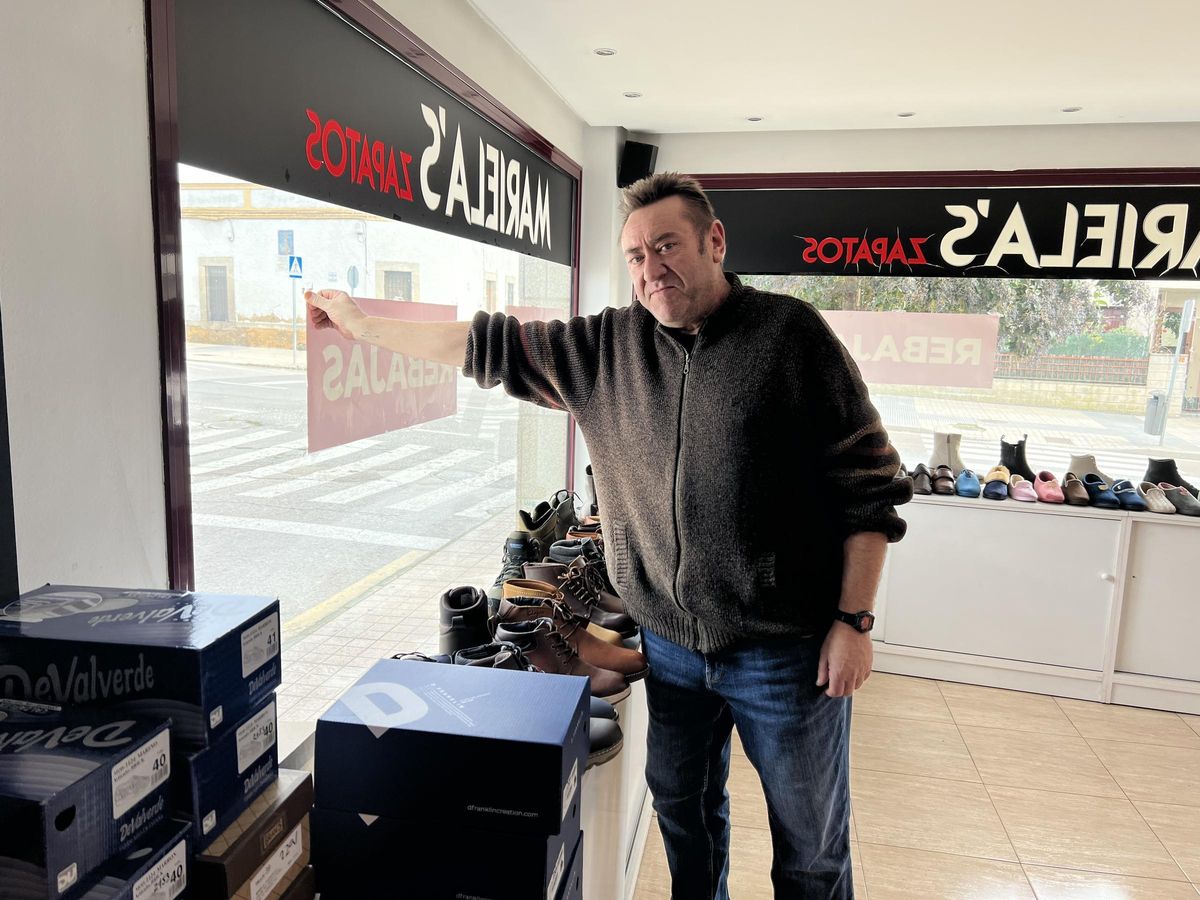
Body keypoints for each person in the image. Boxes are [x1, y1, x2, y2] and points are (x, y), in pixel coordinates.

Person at [307, 173, 910, 899]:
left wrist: (854, 622)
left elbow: (871, 488)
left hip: (783, 650)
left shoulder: (790, 336)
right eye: (634, 256)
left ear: (714, 242)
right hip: (671, 647)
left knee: (810, 848)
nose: (651, 269)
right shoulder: (606, 349)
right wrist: (364, 328)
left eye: (667, 246)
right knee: (685, 817)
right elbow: (487, 344)